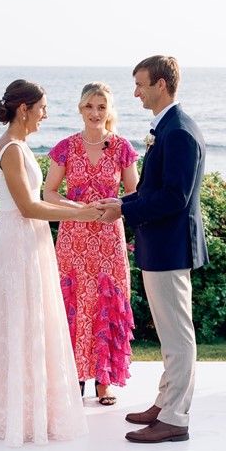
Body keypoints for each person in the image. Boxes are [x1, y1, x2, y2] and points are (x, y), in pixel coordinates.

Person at [0, 79, 101, 447]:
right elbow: (28, 207)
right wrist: (83, 218)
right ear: (24, 110)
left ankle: (29, 408)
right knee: (22, 320)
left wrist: (78, 206)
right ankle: (21, 413)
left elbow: (37, 198)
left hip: (25, 239)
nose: (45, 115)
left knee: (29, 322)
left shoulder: (16, 146)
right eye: (42, 108)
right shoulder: (13, 151)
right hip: (18, 243)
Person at [99, 55, 208, 444]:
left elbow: (173, 199)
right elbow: (153, 191)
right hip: (160, 246)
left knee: (178, 336)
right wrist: (123, 203)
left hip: (170, 247)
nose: (136, 92)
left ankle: (176, 418)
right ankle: (164, 404)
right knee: (169, 333)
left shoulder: (178, 132)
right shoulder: (168, 128)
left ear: (161, 84)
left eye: (141, 84)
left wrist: (123, 209)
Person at [44, 82, 140, 406]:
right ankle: (75, 377)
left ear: (109, 110)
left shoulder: (122, 148)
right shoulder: (65, 148)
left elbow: (135, 195)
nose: (95, 113)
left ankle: (104, 380)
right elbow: (50, 193)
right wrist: (79, 210)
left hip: (109, 239)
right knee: (74, 304)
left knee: (106, 302)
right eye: (89, 107)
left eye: (101, 107)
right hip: (74, 238)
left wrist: (113, 206)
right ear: (80, 109)